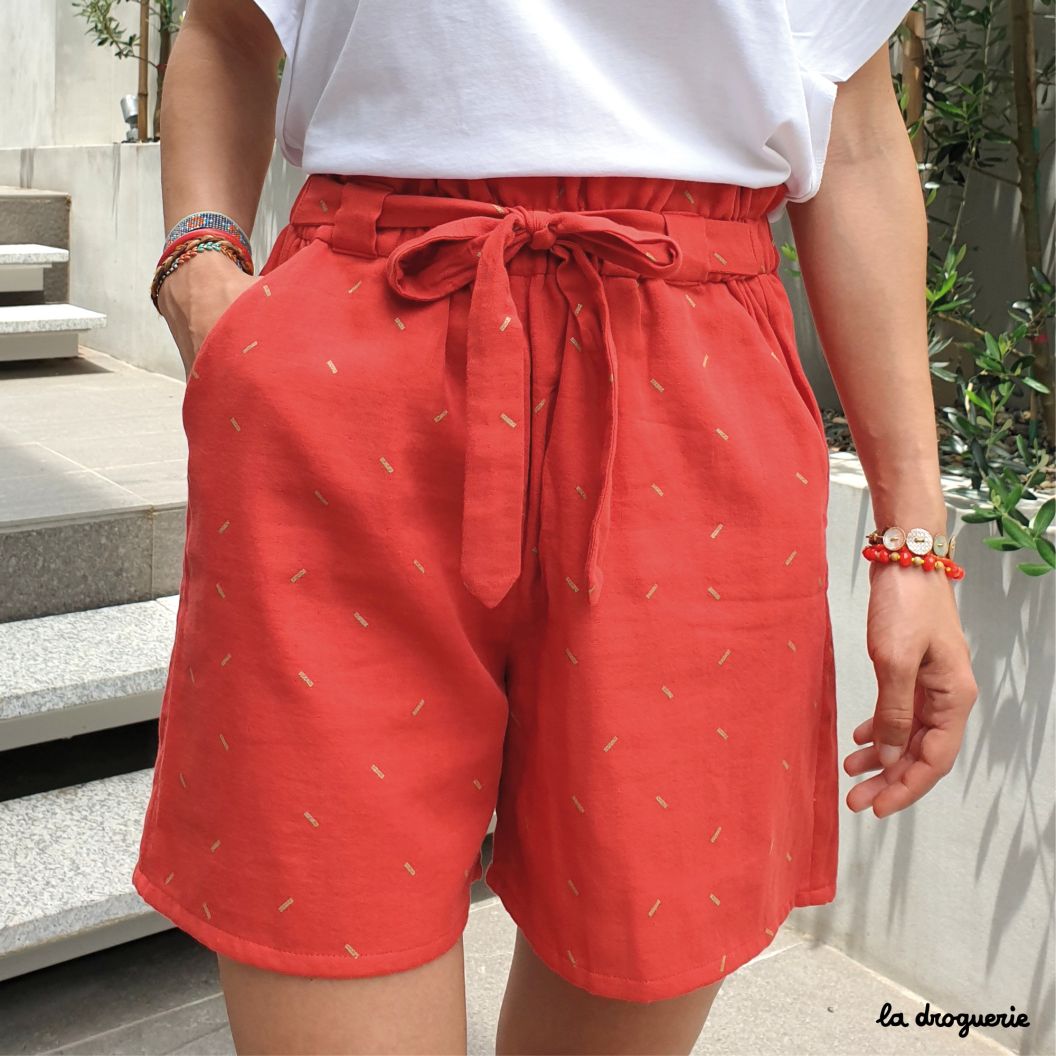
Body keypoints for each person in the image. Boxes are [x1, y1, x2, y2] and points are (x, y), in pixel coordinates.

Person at [133, 1, 979, 1053]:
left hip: (692, 405)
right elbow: (226, 30)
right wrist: (198, 265)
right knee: (322, 897)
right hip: (350, 382)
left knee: (642, 940)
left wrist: (912, 541)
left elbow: (851, 136)